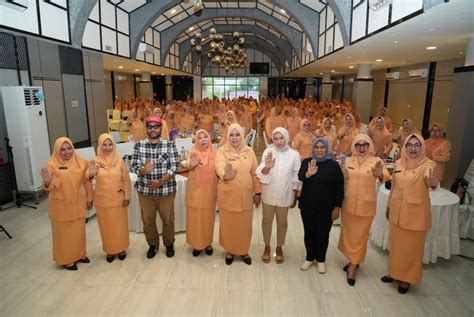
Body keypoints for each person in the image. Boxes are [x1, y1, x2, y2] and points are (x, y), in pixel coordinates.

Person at [382, 134, 438, 294]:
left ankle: (406, 279)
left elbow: (431, 178)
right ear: (404, 147)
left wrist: (432, 181)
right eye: (410, 145)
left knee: (411, 250)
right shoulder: (399, 162)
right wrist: (388, 206)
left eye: (417, 145)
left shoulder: (427, 164)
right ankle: (393, 273)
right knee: (396, 247)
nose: (413, 149)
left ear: (422, 147)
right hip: (397, 213)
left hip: (415, 216)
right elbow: (393, 187)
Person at [338, 134, 389, 286]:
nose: (361, 148)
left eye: (365, 145)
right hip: (348, 204)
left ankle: (353, 267)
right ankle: (353, 259)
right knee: (348, 235)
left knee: (360, 237)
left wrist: (380, 175)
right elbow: (343, 179)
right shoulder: (348, 160)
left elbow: (386, 176)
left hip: (365, 207)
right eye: (358, 144)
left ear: (369, 146)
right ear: (354, 146)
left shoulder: (376, 161)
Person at [40, 137, 93, 270]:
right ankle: (66, 259)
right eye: (62, 149)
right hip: (61, 205)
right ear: (57, 150)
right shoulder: (52, 164)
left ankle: (80, 254)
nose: (67, 152)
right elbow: (49, 187)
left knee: (78, 231)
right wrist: (47, 182)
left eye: (69, 148)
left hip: (78, 202)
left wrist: (90, 198)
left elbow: (87, 180)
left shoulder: (80, 161)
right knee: (64, 234)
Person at [131, 116, 180, 259]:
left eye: (156, 126)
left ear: (160, 128)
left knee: (168, 219)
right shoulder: (138, 146)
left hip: (165, 190)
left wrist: (160, 182)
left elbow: (174, 166)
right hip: (145, 191)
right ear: (146, 129)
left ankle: (169, 244)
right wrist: (144, 171)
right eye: (150, 127)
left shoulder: (169, 145)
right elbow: (134, 166)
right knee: (148, 220)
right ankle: (153, 244)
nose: (153, 129)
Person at [215, 123, 262, 265]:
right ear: (227, 136)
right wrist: (225, 175)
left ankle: (243, 250)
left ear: (242, 136)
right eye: (231, 134)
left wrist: (257, 192)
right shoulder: (222, 151)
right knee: (229, 224)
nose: (234, 138)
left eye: (237, 134)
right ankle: (230, 250)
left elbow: (255, 173)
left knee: (244, 225)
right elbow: (219, 166)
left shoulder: (249, 151)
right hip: (228, 194)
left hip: (245, 194)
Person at [298, 138, 344, 273]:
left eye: (322, 147)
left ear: (327, 149)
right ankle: (309, 257)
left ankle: (321, 259)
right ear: (312, 149)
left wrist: (337, 207)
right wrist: (308, 174)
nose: (319, 150)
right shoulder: (307, 162)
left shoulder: (334, 166)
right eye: (316, 147)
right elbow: (300, 176)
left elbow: (340, 188)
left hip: (326, 208)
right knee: (309, 232)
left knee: (323, 234)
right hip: (307, 206)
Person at [256, 127, 300, 264]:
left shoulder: (294, 155)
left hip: (285, 194)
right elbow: (260, 171)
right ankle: (267, 246)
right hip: (268, 193)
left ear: (286, 138)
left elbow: (296, 175)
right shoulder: (268, 151)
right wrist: (267, 168)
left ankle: (279, 247)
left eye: (281, 138)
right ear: (272, 139)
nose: (279, 141)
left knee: (282, 222)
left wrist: (294, 194)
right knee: (266, 221)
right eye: (275, 138)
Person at [87, 133, 131, 263]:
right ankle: (109, 250)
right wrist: (91, 173)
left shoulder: (119, 160)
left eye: (110, 144)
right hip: (102, 201)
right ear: (100, 146)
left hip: (118, 199)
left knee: (120, 226)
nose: (107, 148)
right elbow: (87, 177)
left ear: (114, 145)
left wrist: (127, 196)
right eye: (104, 145)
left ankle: (121, 248)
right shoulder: (95, 161)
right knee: (106, 227)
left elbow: (126, 180)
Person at [185, 129, 218, 256]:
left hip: (209, 191)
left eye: (205, 137)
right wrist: (191, 165)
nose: (203, 140)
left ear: (209, 139)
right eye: (200, 138)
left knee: (208, 218)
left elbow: (220, 168)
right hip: (195, 191)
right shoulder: (192, 151)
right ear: (196, 140)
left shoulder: (216, 153)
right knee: (195, 217)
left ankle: (207, 242)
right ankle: (196, 244)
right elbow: (187, 163)